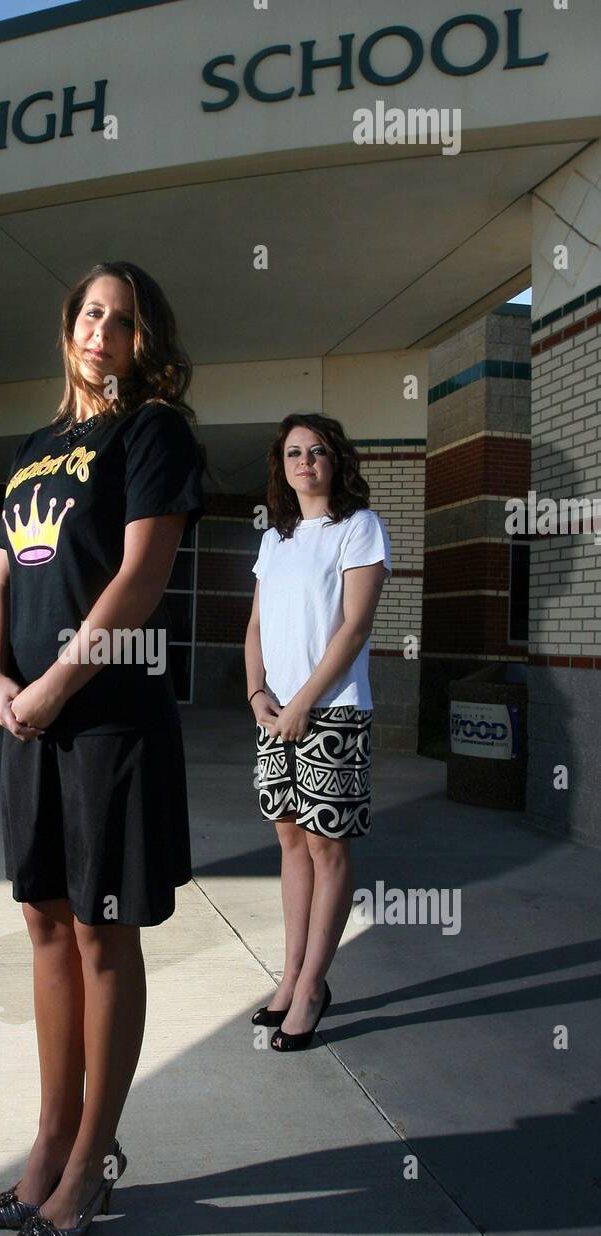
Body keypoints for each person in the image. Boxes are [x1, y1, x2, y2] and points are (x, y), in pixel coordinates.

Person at [0, 261, 204, 1236]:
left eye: (125, 318)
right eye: (90, 313)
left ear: (147, 340)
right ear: (70, 328)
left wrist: (57, 685)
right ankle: (50, 1143)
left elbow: (141, 577)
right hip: (28, 719)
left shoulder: (153, 432)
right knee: (44, 919)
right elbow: (0, 575)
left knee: (102, 931)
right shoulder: (34, 450)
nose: (102, 330)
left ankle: (90, 1162)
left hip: (108, 717)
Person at [244, 412, 391, 1052]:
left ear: (337, 461)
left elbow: (354, 628)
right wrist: (257, 694)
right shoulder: (274, 539)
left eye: (318, 451)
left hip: (334, 711)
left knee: (326, 846)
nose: (305, 462)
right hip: (275, 713)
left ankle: (311, 988)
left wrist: (304, 702)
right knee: (290, 840)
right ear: (281, 466)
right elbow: (255, 627)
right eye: (294, 453)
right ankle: (289, 976)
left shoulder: (358, 527)